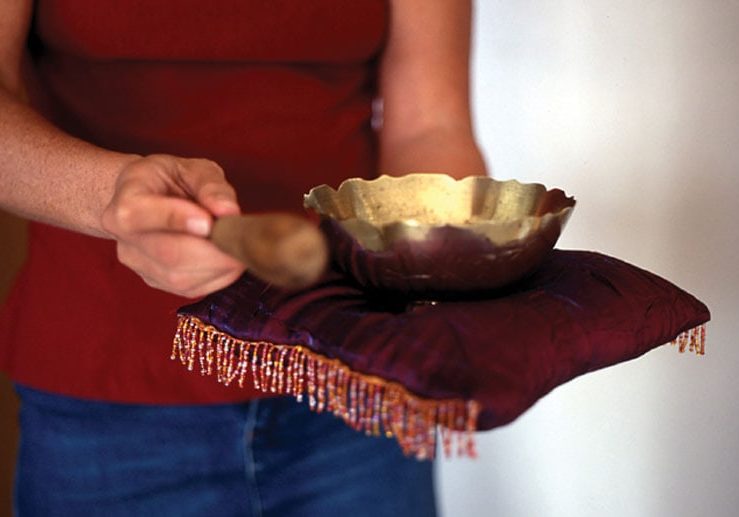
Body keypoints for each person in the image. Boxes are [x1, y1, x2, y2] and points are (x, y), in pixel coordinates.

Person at [0, 1, 486, 515]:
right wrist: (111, 196)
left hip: (356, 380)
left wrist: (443, 267)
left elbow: (429, 127)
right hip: (103, 401)